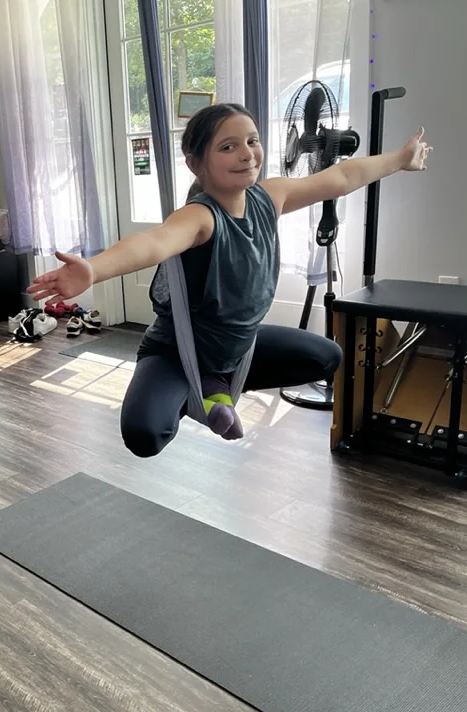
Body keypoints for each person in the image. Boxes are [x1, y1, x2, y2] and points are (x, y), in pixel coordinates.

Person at [28, 102, 432, 457]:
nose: (246, 154)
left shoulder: (269, 197)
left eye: (252, 141)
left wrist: (400, 159)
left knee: (326, 357)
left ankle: (215, 385)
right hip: (177, 352)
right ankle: (197, 390)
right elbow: (153, 242)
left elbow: (341, 178)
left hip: (238, 350)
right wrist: (94, 269)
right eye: (227, 147)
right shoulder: (200, 217)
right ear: (196, 163)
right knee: (144, 435)